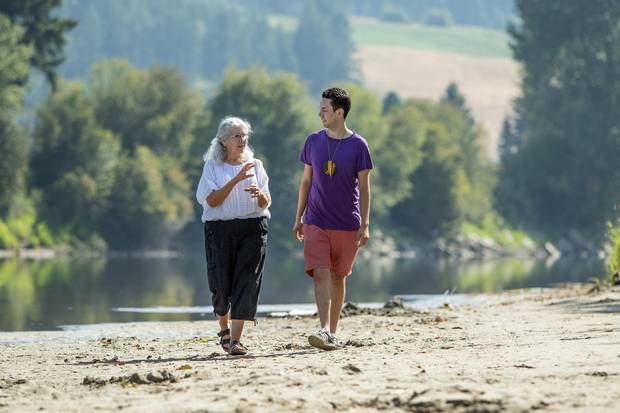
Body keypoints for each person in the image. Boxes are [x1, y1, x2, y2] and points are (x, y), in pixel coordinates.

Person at [292, 87, 373, 350]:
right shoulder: (313, 141)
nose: (319, 114)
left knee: (338, 277)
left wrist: (365, 224)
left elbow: (365, 188)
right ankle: (323, 328)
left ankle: (332, 333)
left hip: (347, 224)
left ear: (339, 112)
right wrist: (299, 217)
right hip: (315, 221)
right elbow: (306, 181)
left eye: (324, 109)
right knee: (320, 274)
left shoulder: (359, 146)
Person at [196, 116, 271, 356]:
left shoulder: (256, 165)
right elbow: (212, 200)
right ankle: (224, 328)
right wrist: (237, 180)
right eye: (237, 136)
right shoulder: (212, 167)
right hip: (219, 231)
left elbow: (266, 202)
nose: (242, 140)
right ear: (224, 141)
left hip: (253, 228)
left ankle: (235, 341)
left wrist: (259, 193)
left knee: (247, 282)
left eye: (245, 135)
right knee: (220, 285)